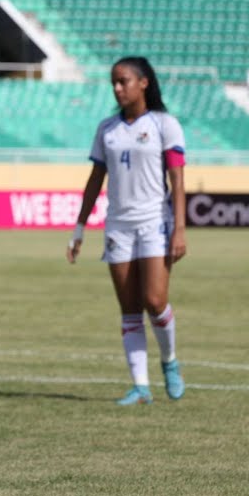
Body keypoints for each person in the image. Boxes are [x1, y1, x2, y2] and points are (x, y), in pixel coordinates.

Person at [66, 56, 187, 406]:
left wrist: (179, 229)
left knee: (154, 300)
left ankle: (170, 362)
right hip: (118, 225)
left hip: (155, 222)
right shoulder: (107, 129)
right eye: (114, 83)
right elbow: (94, 180)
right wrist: (79, 228)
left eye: (124, 81)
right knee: (130, 308)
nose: (118, 88)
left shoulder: (165, 124)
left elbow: (177, 179)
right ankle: (140, 386)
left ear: (143, 83)